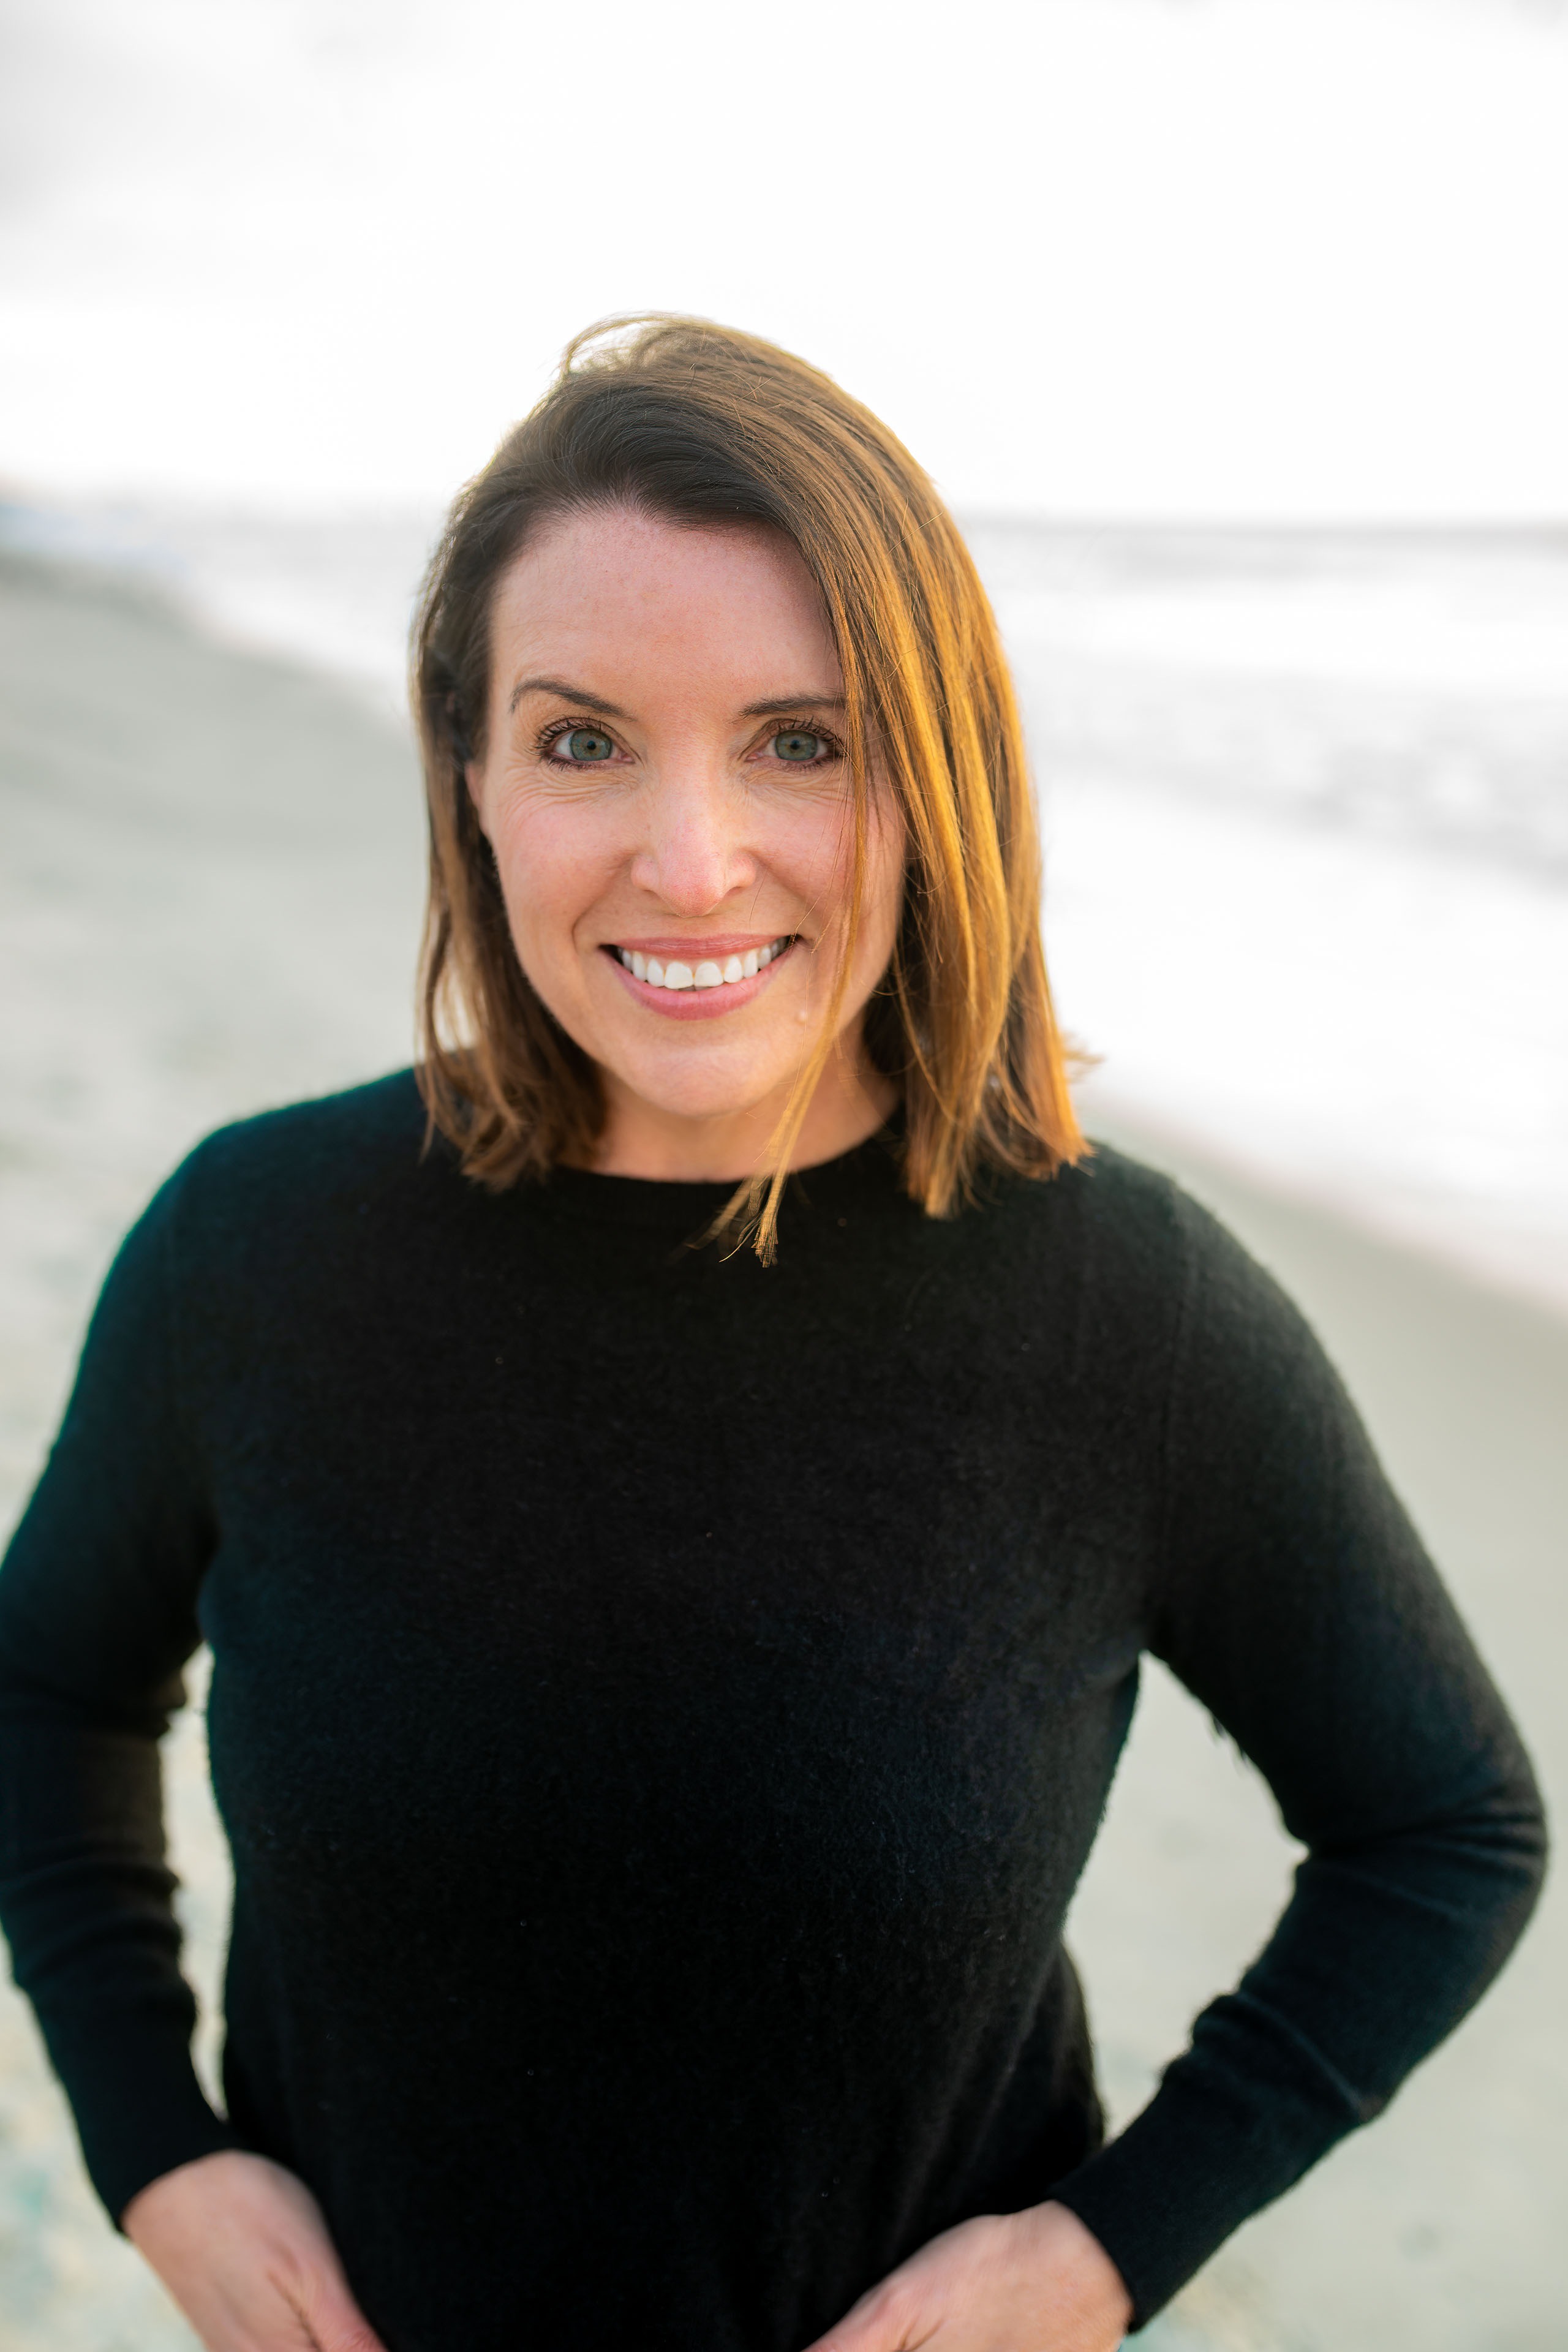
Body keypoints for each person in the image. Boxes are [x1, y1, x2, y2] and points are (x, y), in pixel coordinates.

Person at [0, 316, 1545, 2352]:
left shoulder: (1128, 1313)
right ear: (471, 773)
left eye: (800, 741)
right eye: (583, 741)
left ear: (933, 775)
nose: (692, 858)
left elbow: (1445, 1828)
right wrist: (155, 2148)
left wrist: (1104, 2251)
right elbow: (46, 1694)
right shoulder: (256, 1246)